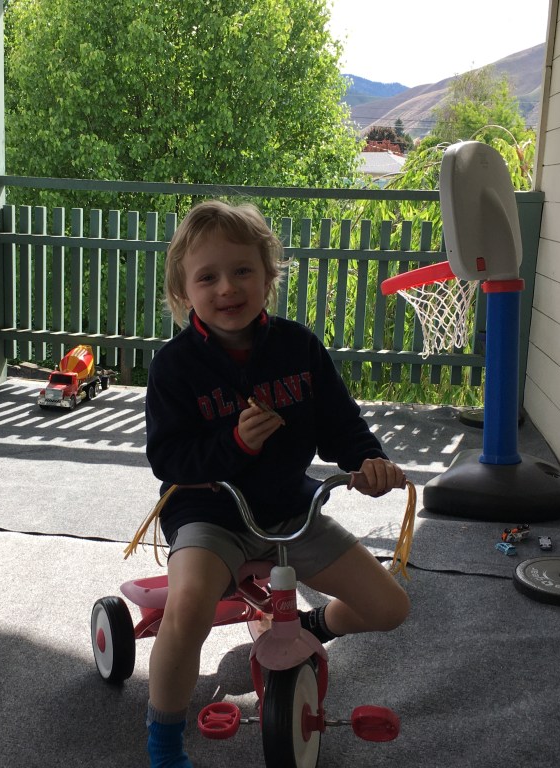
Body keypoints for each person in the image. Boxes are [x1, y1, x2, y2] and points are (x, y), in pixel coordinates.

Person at [143, 199, 410, 768]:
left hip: (291, 508)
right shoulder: (174, 366)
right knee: (187, 610)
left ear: (268, 276)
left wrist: (369, 463)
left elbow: (342, 427)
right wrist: (234, 445)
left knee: (389, 606)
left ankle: (315, 622)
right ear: (183, 292)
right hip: (210, 514)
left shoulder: (299, 348)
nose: (227, 287)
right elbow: (169, 460)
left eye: (243, 270)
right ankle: (164, 743)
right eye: (207, 277)